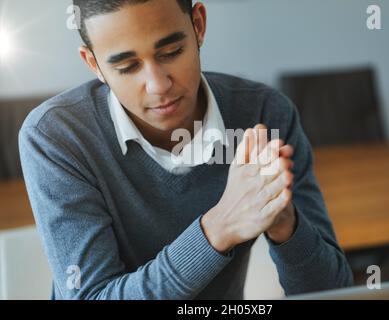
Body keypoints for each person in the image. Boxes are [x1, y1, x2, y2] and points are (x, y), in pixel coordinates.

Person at [18, 0, 353, 299]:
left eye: (171, 53)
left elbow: (332, 291)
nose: (158, 85)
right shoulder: (57, 137)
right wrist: (220, 227)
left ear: (199, 26)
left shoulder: (263, 113)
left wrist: (286, 226)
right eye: (127, 67)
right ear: (93, 64)